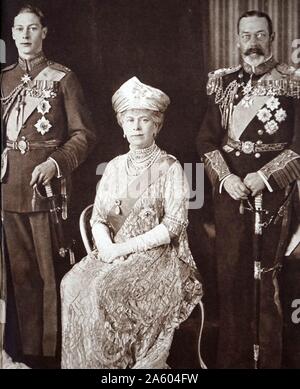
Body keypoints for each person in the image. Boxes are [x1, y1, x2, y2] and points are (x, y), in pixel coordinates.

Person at [61, 76, 203, 369]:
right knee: (71, 283)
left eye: (144, 120)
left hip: (157, 258)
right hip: (113, 252)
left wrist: (124, 249)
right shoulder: (113, 167)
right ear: (122, 126)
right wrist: (108, 249)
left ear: (157, 125)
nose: (136, 126)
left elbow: (174, 224)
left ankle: (123, 366)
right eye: (130, 120)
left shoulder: (170, 167)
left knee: (105, 289)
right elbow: (99, 217)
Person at [197, 10, 300, 368]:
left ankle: (268, 362)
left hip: (274, 196)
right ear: (237, 39)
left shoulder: (292, 82)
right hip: (232, 195)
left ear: (271, 39)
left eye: (260, 35)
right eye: (246, 36)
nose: (252, 43)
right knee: (230, 279)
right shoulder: (223, 83)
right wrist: (226, 178)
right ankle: (232, 361)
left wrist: (267, 177)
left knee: (266, 282)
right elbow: (207, 139)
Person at [1, 5, 96, 368]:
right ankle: (28, 355)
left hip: (47, 190)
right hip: (9, 187)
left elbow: (84, 135)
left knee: (47, 276)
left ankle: (52, 355)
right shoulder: (4, 79)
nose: (26, 36)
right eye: (19, 29)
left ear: (44, 33)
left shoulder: (63, 78)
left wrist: (55, 163)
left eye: (33, 29)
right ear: (11, 34)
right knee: (21, 276)